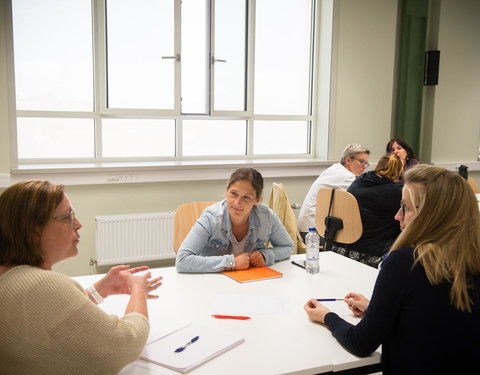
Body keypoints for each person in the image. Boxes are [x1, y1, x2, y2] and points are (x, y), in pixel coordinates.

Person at [304, 166, 480, 374]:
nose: (397, 216)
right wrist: (375, 310)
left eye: (405, 207)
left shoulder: (405, 263)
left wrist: (327, 317)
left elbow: (361, 343)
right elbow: (432, 321)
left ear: (429, 214)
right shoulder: (470, 261)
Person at [0, 180, 163, 375]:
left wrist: (100, 289)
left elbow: (56, 317)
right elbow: (126, 344)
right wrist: (139, 290)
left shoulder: (12, 278)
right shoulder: (41, 285)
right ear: (36, 230)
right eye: (68, 217)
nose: (78, 224)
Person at [176, 168, 294, 273]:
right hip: (212, 284)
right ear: (227, 190)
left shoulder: (267, 217)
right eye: (233, 194)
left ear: (257, 200)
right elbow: (182, 260)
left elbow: (288, 247)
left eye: (246, 197)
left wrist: (265, 255)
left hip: (250, 283)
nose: (237, 203)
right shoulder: (211, 218)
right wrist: (231, 262)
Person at [333, 153, 403, 267]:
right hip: (372, 254)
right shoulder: (396, 192)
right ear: (399, 172)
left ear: (378, 166)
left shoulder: (359, 181)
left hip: (343, 248)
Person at [297, 143, 370, 241]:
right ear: (348, 160)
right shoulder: (346, 176)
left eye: (366, 163)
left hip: (307, 227)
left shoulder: (335, 169)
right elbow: (362, 200)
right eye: (362, 162)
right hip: (315, 232)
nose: (365, 167)